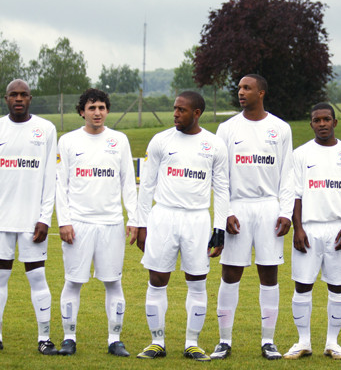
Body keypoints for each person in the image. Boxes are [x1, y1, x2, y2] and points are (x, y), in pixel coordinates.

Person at [133, 91, 229, 361]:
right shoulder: (161, 140)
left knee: (197, 281)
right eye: (174, 109)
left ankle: (192, 343)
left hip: (197, 219)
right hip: (163, 216)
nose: (175, 114)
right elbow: (147, 185)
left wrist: (219, 227)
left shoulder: (214, 145)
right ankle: (156, 342)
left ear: (196, 113)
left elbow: (222, 190)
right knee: (157, 280)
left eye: (181, 110)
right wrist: (141, 224)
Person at [211, 74, 294, 360]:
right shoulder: (227, 128)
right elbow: (220, 177)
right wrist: (227, 213)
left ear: (261, 92)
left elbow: (287, 174)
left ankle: (268, 341)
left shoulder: (280, 129)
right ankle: (224, 341)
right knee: (230, 273)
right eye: (239, 88)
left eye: (247, 88)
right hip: (238, 206)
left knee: (269, 273)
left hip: (269, 206)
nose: (241, 92)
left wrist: (286, 212)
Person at [54, 88, 138, 357]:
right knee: (72, 282)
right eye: (91, 108)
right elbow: (61, 185)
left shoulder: (119, 140)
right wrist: (64, 221)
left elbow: (128, 183)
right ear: (82, 112)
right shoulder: (67, 141)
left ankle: (115, 339)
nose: (97, 112)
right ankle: (69, 338)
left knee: (113, 282)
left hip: (111, 223)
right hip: (78, 224)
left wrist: (134, 218)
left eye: (101, 107)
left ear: (107, 110)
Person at [283, 103, 341, 361]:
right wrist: (298, 228)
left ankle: (333, 342)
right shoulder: (301, 154)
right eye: (316, 120)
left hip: (338, 229)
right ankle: (303, 341)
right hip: (309, 229)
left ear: (335, 122)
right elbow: (295, 195)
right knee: (302, 286)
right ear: (311, 124)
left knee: (337, 287)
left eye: (326, 119)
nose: (322, 124)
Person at [0, 79, 58, 354]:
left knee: (37, 277)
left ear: (31, 98)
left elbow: (50, 177)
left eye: (23, 94)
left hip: (32, 221)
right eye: (14, 95)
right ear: (6, 98)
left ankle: (44, 338)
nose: (19, 99)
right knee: (0, 278)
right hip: (1, 221)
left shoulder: (45, 129)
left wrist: (45, 218)